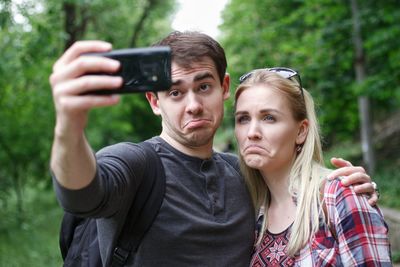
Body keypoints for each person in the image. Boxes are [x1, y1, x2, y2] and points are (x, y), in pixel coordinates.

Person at [49, 31, 378, 266]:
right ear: (154, 101)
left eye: (203, 86)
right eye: (175, 93)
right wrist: (69, 123)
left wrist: (347, 191)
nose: (193, 105)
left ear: (223, 87)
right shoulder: (136, 164)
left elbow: (300, 187)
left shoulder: (245, 175)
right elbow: (81, 195)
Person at [234, 67, 391, 266]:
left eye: (269, 118)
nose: (252, 132)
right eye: (243, 119)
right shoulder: (251, 212)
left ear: (301, 131)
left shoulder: (338, 197)